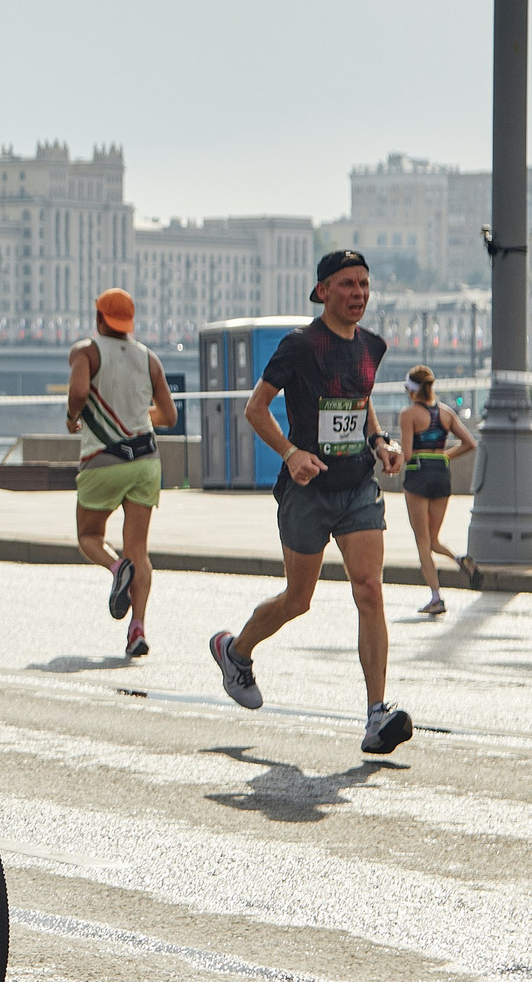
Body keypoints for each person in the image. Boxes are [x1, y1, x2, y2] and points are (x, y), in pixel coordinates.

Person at [208, 251, 413, 756]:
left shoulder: (372, 345)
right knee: (298, 600)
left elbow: (360, 399)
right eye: (347, 284)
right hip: (307, 490)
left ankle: (376, 715)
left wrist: (379, 441)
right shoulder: (300, 345)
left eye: (364, 284)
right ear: (322, 291)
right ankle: (235, 651)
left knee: (370, 590)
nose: (358, 293)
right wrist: (290, 452)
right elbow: (256, 408)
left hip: (357, 485)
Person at [68, 287, 176, 659]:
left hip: (103, 459)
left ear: (99, 318)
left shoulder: (86, 351)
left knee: (89, 535)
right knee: (139, 550)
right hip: (146, 461)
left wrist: (72, 417)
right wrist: (138, 417)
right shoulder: (149, 358)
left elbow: (79, 392)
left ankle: (116, 568)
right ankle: (137, 628)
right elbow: (169, 416)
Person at [396, 365, 480, 617]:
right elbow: (470, 443)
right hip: (441, 476)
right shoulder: (446, 413)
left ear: (412, 390)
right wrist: (444, 456)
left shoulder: (409, 414)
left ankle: (435, 597)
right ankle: (459, 559)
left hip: (418, 476)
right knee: (433, 540)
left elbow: (407, 454)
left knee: (423, 541)